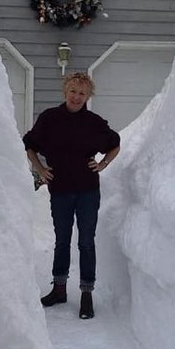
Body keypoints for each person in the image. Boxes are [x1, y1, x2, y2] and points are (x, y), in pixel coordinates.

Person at [23, 71, 120, 319]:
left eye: (82, 93)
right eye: (73, 91)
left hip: (88, 191)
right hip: (61, 191)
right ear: (65, 91)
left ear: (88, 96)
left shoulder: (94, 123)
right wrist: (40, 169)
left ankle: (87, 294)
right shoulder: (50, 119)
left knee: (86, 242)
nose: (77, 97)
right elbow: (30, 144)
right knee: (62, 240)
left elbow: (114, 144)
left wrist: (103, 164)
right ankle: (59, 289)